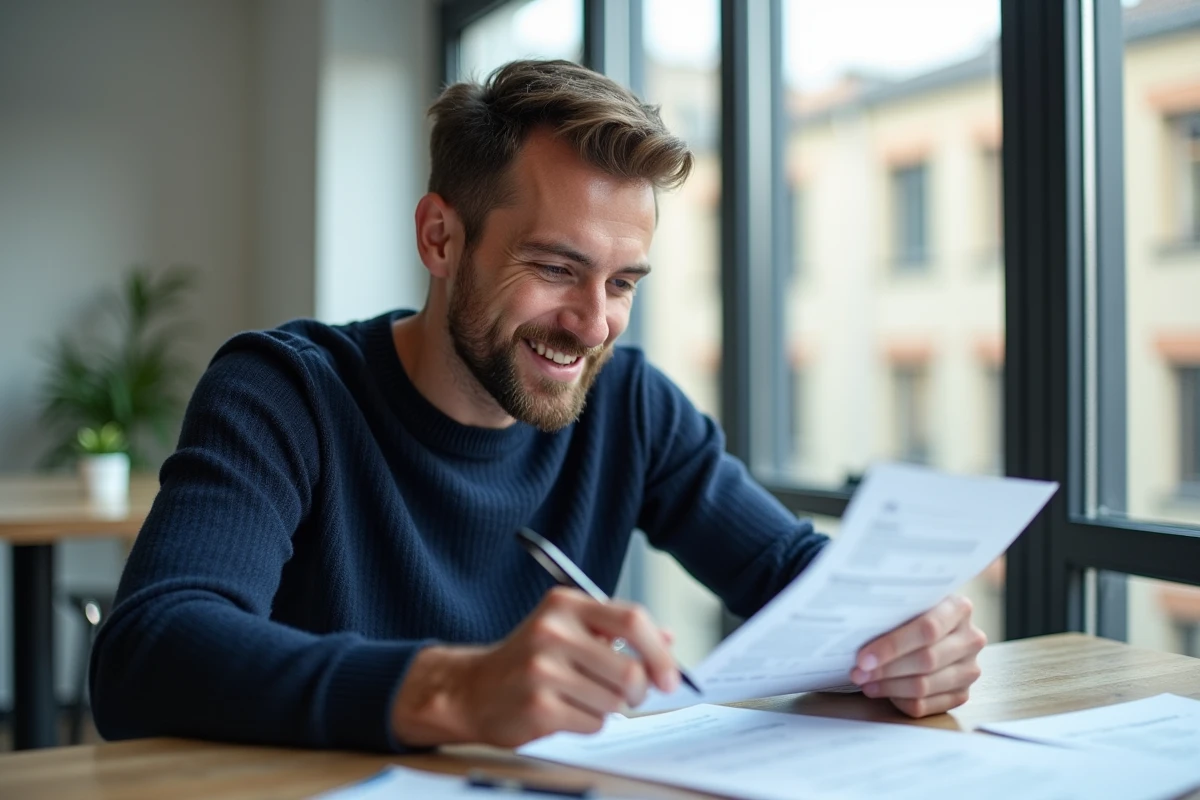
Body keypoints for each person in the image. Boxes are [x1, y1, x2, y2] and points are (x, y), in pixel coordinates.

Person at [90, 59, 986, 753]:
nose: (593, 325)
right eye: (557, 268)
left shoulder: (630, 405)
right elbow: (148, 654)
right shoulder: (286, 392)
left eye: (623, 282)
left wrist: (904, 634)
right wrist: (457, 690)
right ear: (441, 238)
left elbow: (793, 574)